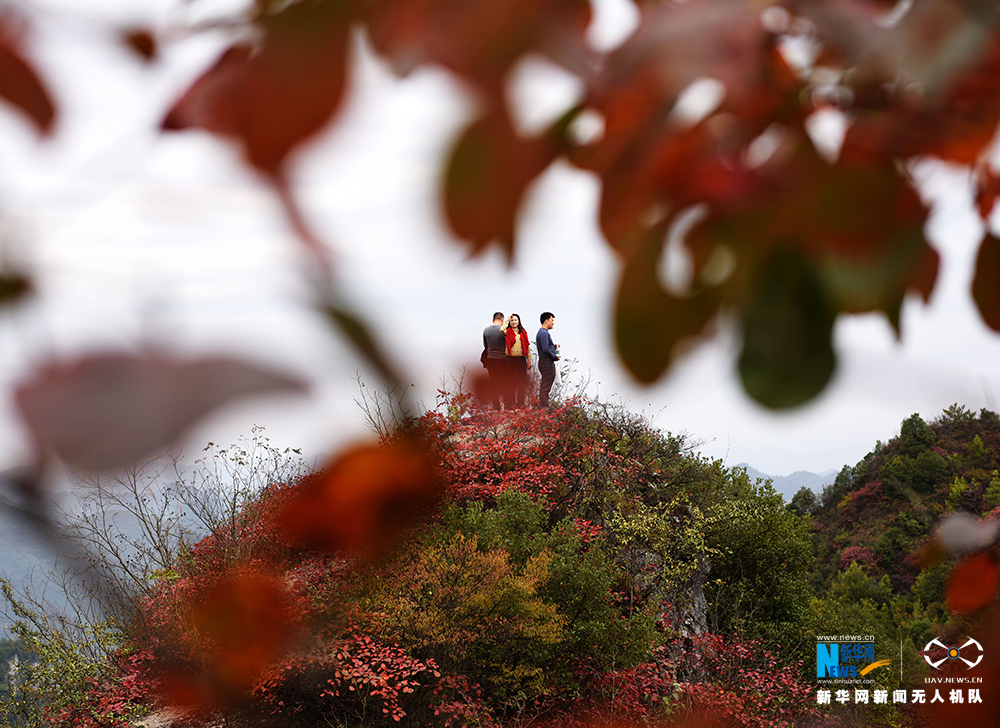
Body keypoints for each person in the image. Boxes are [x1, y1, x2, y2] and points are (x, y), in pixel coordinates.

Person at [501, 313, 531, 408]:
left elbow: (527, 347)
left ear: (519, 321)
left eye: (515, 320)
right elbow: (501, 329)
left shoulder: (523, 333)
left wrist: (529, 361)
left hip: (521, 359)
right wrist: (507, 320)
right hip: (510, 359)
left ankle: (521, 403)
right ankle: (511, 404)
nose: (514, 322)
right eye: (512, 320)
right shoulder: (508, 331)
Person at [482, 311, 507, 409]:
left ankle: (496, 405)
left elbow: (485, 346)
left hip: (491, 359)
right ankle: (506, 404)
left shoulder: (486, 330)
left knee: (493, 382)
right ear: (502, 320)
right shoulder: (502, 330)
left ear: (493, 319)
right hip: (503, 359)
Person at [536, 312, 559, 408]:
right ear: (546, 321)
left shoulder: (543, 333)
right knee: (545, 387)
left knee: (545, 386)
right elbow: (545, 349)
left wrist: (554, 347)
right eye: (552, 320)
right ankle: (544, 408)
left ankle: (543, 407)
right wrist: (554, 357)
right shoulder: (543, 333)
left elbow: (545, 347)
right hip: (546, 362)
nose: (553, 323)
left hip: (545, 362)